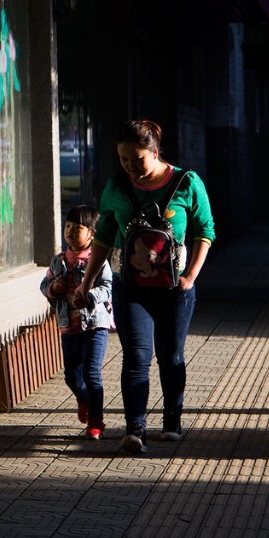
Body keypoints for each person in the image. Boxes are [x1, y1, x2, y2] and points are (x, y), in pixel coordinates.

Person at [76, 120, 215, 453]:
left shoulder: (186, 182)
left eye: (137, 159)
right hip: (131, 288)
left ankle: (172, 419)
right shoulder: (117, 187)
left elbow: (204, 231)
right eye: (124, 160)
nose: (130, 167)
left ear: (154, 152)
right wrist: (87, 281)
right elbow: (105, 237)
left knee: (171, 357)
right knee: (136, 357)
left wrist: (190, 277)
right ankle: (135, 427)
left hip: (174, 289)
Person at [40, 205, 113, 440]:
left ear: (92, 233)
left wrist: (90, 295)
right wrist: (53, 289)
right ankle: (84, 400)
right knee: (71, 375)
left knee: (92, 373)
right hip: (68, 326)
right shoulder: (58, 261)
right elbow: (44, 286)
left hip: (94, 325)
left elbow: (108, 288)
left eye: (78, 228)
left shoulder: (97, 259)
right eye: (68, 226)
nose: (70, 231)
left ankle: (96, 421)